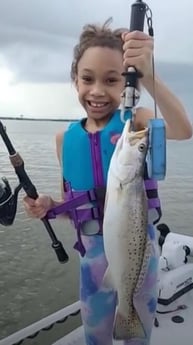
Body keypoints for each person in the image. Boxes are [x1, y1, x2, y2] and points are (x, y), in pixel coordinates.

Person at [23, 20, 192, 345]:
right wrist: (49, 206)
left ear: (128, 84)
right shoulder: (64, 139)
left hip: (140, 254)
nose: (98, 90)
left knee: (136, 334)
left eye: (112, 80)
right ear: (75, 80)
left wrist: (148, 72)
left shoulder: (136, 124)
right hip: (93, 259)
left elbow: (183, 130)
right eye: (88, 78)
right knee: (95, 335)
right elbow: (70, 206)